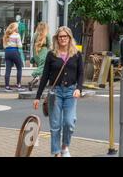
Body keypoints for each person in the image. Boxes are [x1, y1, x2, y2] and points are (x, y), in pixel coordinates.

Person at [33, 26, 83, 157]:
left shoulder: (76, 54)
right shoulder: (51, 54)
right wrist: (37, 97)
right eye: (60, 36)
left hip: (71, 92)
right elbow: (44, 76)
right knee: (55, 125)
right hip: (55, 93)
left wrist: (79, 89)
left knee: (69, 123)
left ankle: (65, 146)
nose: (63, 39)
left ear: (70, 38)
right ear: (57, 38)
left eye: (65, 36)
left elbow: (81, 74)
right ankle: (56, 153)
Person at [28, 22, 51, 91]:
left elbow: (32, 45)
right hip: (44, 53)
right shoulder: (47, 34)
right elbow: (49, 45)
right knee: (44, 69)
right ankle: (35, 77)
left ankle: (35, 82)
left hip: (36, 53)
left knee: (43, 71)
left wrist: (34, 56)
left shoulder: (35, 35)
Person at [3, 22, 25, 92]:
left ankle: (7, 86)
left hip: (7, 52)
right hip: (15, 51)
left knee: (8, 70)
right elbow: (20, 45)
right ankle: (18, 85)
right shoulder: (17, 35)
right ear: (15, 28)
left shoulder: (6, 35)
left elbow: (4, 46)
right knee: (19, 68)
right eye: (17, 27)